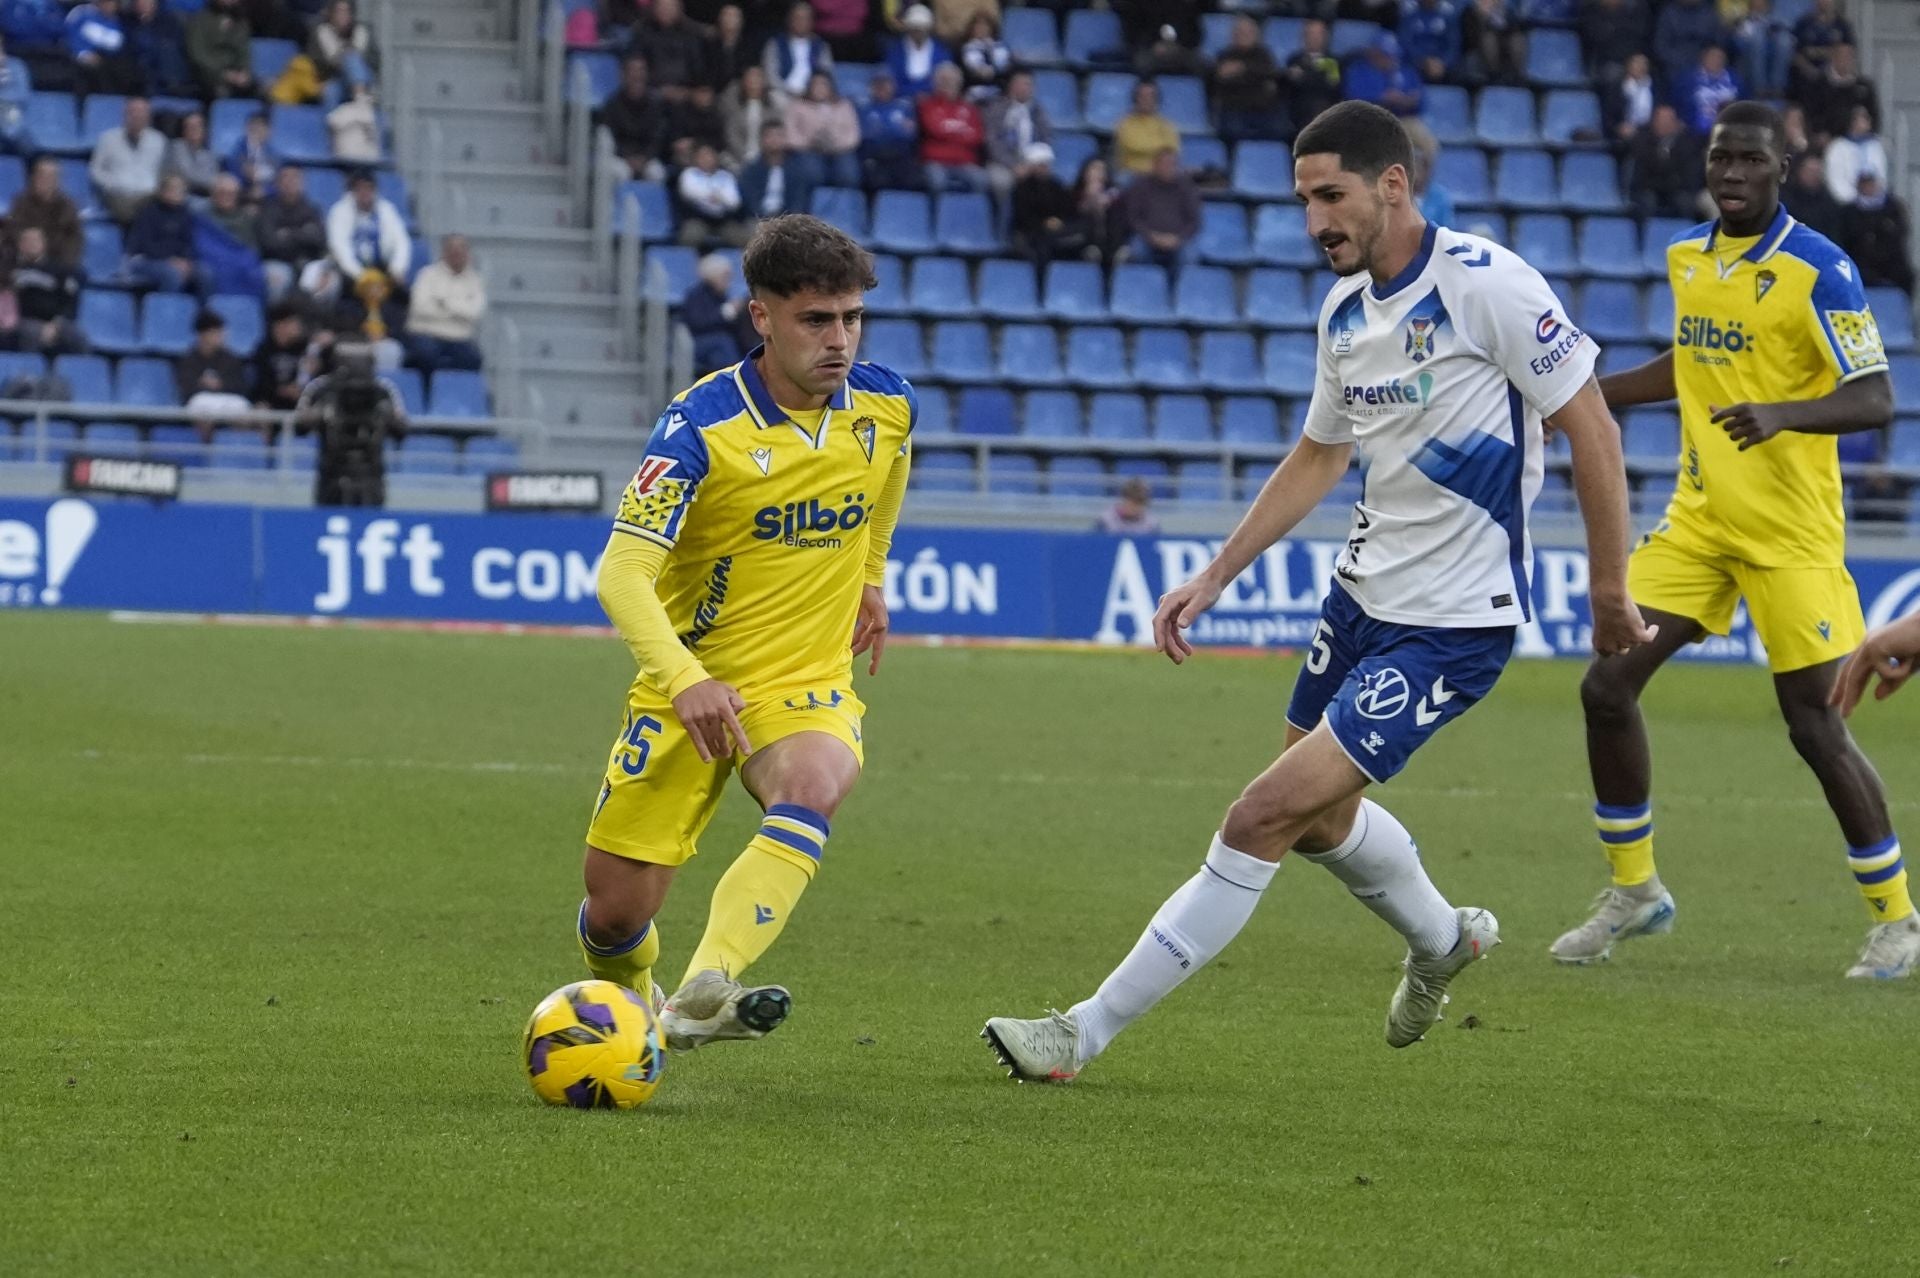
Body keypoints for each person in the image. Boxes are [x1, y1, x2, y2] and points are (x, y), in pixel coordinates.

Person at [982, 100, 1648, 1081]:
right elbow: (1317, 456)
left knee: (1261, 815)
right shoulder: (1345, 315)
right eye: (1302, 200)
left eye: (1330, 196)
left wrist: (1606, 587)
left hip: (1452, 627)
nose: (1314, 221)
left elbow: (1591, 428)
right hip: (1358, 604)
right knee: (1319, 822)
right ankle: (1441, 940)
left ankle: (1080, 1032)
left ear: (1392, 185)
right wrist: (1216, 572)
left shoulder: (1487, 287)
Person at [1551, 100, 1912, 981]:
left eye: (1750, 160)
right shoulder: (1688, 258)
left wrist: (1783, 413)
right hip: (1700, 522)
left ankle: (1899, 919)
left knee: (1815, 727)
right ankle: (1635, 891)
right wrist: (1580, 394)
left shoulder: (1820, 269)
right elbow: (1690, 364)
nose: (1733, 175)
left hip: (1791, 534)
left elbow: (1874, 397)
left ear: (1782, 167)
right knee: (1608, 684)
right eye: (1721, 160)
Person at [576, 213, 912, 1055]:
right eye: (815, 320)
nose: (839, 341)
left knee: (816, 781)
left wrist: (871, 574)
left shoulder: (888, 404)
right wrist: (686, 679)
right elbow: (619, 574)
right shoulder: (698, 428)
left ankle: (706, 983)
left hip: (804, 681)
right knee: (615, 914)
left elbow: (888, 479)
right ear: (761, 317)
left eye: (851, 317)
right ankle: (641, 1012)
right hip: (686, 683)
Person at [295, 340, 407, 505]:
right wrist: (322, 413)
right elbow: (300, 427)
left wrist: (383, 415)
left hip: (370, 470)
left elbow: (401, 430)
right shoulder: (321, 388)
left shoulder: (383, 390)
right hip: (332, 470)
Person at [404, 234, 487, 371]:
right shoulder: (427, 275)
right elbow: (420, 308)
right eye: (452, 250)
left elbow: (474, 313)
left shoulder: (475, 280)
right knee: (425, 356)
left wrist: (444, 302)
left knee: (473, 359)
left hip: (460, 339)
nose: (457, 254)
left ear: (467, 253)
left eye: (461, 250)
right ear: (444, 252)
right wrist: (459, 311)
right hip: (427, 334)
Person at [1117, 147, 1199, 271]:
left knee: (1190, 257)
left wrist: (1177, 238)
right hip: (1147, 237)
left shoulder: (1186, 187)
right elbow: (1132, 217)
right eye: (1164, 164)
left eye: (1171, 164)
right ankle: (1143, 288)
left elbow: (1194, 221)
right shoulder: (1140, 185)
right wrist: (1151, 236)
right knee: (1137, 250)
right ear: (1154, 165)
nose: (1167, 167)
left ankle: (1182, 289)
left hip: (1177, 239)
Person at [8, 225, 85, 354]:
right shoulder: (13, 270)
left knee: (79, 338)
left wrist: (56, 324)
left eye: (35, 240)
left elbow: (69, 300)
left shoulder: (59, 270)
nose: (32, 244)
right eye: (27, 241)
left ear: (43, 243)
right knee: (30, 334)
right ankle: (29, 372)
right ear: (21, 245)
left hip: (56, 321)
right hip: (25, 321)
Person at [90, 96, 167, 223]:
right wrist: (111, 185)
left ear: (148, 116)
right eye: (133, 112)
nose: (137, 116)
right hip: (119, 194)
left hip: (148, 194)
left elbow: (164, 170)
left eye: (141, 112)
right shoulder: (108, 139)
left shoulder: (159, 140)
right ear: (125, 114)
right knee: (141, 213)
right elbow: (95, 170)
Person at [981, 68, 1051, 209]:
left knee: (1048, 183)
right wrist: (1013, 166)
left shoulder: (1037, 110)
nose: (1028, 88)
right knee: (1002, 183)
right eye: (1024, 84)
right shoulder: (996, 109)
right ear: (1012, 86)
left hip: (1032, 162)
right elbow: (992, 142)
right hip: (1002, 163)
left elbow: (1046, 137)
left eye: (1030, 84)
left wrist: (1034, 163)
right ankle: (1003, 227)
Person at [1212, 14, 1287, 143]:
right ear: (1233, 34)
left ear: (1256, 34)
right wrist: (1254, 77)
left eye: (1248, 32)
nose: (1244, 35)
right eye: (1240, 32)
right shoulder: (1224, 55)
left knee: (1281, 129)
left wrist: (1242, 68)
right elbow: (1221, 80)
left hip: (1263, 109)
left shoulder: (1264, 55)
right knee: (1232, 130)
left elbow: (1270, 73)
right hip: (1235, 108)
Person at [783, 69, 862, 191]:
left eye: (823, 84)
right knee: (813, 174)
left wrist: (835, 144)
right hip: (808, 150)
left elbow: (853, 135)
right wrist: (810, 143)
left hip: (840, 150)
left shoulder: (844, 106)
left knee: (848, 175)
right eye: (815, 84)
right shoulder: (797, 105)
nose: (819, 88)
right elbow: (790, 134)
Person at [176, 308, 251, 434]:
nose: (221, 337)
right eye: (215, 333)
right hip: (201, 399)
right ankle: (205, 449)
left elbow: (240, 386)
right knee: (200, 406)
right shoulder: (189, 359)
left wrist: (220, 384)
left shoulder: (231, 358)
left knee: (243, 408)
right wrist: (202, 384)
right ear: (203, 335)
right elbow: (186, 387)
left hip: (227, 399)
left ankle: (236, 447)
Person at [258, 163, 327, 299]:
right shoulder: (268, 208)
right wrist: (304, 233)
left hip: (308, 262)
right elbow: (270, 244)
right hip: (277, 262)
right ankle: (279, 319)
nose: (290, 182)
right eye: (285, 178)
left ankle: (315, 320)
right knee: (278, 277)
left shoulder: (312, 209)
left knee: (329, 280)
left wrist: (288, 233)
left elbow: (320, 240)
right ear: (277, 183)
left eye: (295, 178)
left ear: (302, 183)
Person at [125, 173, 202, 293]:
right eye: (173, 188)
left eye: (181, 189)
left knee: (205, 274)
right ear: (162, 191)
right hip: (146, 260)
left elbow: (188, 242)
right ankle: (167, 310)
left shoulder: (185, 214)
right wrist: (171, 260)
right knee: (172, 275)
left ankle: (205, 311)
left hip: (177, 262)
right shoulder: (147, 212)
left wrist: (185, 260)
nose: (178, 192)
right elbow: (144, 245)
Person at [917, 63, 987, 195]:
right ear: (935, 83)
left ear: (959, 83)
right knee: (937, 181)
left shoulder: (969, 109)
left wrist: (947, 130)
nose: (947, 84)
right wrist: (961, 131)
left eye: (951, 81)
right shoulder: (927, 105)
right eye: (943, 80)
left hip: (964, 161)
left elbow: (977, 136)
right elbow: (933, 129)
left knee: (980, 180)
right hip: (936, 161)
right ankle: (936, 215)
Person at [1628, 104, 1705, 218]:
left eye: (1666, 121)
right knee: (1647, 201)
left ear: (1675, 124)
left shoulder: (1687, 145)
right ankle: (1647, 234)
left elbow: (1690, 176)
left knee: (1686, 202)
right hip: (1649, 189)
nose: (1662, 124)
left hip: (1678, 189)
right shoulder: (1643, 142)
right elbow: (1640, 176)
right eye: (1659, 120)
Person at [1009, 143, 1079, 266]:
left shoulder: (1056, 186)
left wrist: (1058, 221)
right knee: (1041, 247)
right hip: (1031, 233)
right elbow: (1023, 217)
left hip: (1057, 230)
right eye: (1040, 164)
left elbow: (1068, 209)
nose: (1044, 168)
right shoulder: (1022, 189)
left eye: (1046, 164)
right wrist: (1044, 223)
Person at [599, 57, 669, 181]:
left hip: (646, 158)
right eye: (633, 70)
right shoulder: (612, 104)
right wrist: (628, 158)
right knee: (620, 172)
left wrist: (645, 158)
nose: (637, 74)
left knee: (657, 173)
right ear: (624, 75)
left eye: (641, 70)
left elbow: (658, 137)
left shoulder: (656, 104)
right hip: (620, 157)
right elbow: (610, 136)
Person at [1843, 174, 1913, 295]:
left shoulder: (1893, 208)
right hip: (1861, 263)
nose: (1869, 188)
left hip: (1890, 263)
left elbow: (1899, 236)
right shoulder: (1849, 211)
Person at [8, 156, 83, 268]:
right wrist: (27, 242)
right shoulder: (20, 203)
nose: (46, 181)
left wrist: (45, 249)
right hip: (21, 264)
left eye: (51, 177)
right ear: (33, 178)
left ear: (58, 181)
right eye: (42, 176)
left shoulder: (68, 207)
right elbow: (11, 232)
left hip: (55, 266)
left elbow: (74, 241)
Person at [681, 251, 745, 374]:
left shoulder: (722, 295)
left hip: (719, 344)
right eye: (724, 276)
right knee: (722, 343)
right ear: (712, 275)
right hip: (696, 341)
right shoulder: (696, 295)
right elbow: (698, 323)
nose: (728, 281)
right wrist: (726, 313)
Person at [677, 140, 751, 244]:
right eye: (702, 156)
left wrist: (716, 197)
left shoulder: (726, 176)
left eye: (709, 155)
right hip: (698, 219)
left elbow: (734, 202)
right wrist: (715, 195)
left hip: (723, 220)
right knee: (690, 237)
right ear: (695, 158)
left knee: (745, 239)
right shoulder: (689, 174)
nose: (706, 159)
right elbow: (689, 192)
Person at [1803, 43, 1877, 145]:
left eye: (1849, 56)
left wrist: (1865, 129)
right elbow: (1811, 114)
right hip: (1826, 143)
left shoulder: (1865, 87)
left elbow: (1874, 117)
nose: (1846, 60)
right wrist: (1818, 133)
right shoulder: (1817, 85)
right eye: (1841, 55)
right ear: (1833, 57)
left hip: (1858, 142)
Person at [632, 0, 705, 100]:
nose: (665, 10)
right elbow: (636, 66)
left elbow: (697, 66)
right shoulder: (641, 31)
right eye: (661, 6)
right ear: (654, 7)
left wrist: (689, 91)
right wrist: (662, 90)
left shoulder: (691, 32)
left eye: (670, 6)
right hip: (653, 91)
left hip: (686, 92)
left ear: (679, 8)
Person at [858, 70, 919, 190]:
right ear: (871, 87)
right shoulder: (863, 107)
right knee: (873, 179)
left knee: (912, 178)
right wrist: (894, 129)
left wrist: (881, 129)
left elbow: (909, 135)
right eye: (877, 84)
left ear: (893, 86)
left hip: (899, 154)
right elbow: (864, 134)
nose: (882, 88)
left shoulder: (905, 106)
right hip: (873, 154)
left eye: (886, 84)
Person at [253, 300, 318, 412]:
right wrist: (283, 390)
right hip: (272, 401)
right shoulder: (263, 350)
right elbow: (260, 383)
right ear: (280, 326)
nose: (298, 327)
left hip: (301, 402)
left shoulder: (306, 348)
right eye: (293, 323)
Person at [66, 0, 141, 95]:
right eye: (105, 2)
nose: (108, 6)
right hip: (80, 60)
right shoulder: (81, 14)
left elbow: (119, 49)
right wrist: (83, 54)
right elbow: (70, 36)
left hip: (108, 65)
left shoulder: (121, 24)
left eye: (112, 3)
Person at [740, 123, 813, 220]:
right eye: (769, 136)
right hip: (758, 219)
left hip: (789, 220)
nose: (774, 140)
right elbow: (750, 200)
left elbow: (799, 200)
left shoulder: (797, 170)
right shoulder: (752, 169)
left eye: (779, 135)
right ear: (762, 140)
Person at [185, 0, 255, 99]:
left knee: (261, 92)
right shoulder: (200, 20)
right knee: (220, 93)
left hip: (235, 74)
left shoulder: (241, 22)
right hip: (207, 76)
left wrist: (244, 72)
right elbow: (198, 55)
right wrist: (224, 74)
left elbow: (243, 51)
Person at [762, 1, 832, 99]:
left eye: (805, 18)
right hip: (783, 93)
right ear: (789, 20)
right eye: (797, 18)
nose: (801, 22)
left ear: (811, 22)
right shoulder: (775, 44)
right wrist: (787, 90)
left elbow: (826, 72)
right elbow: (770, 74)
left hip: (813, 95)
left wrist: (812, 92)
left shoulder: (821, 46)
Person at [1346, 32, 1424, 119]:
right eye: (1382, 54)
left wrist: (1407, 100)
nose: (1387, 59)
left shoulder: (1406, 72)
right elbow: (1352, 98)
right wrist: (1383, 97)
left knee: (1415, 127)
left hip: (1403, 118)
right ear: (1372, 52)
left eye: (1390, 55)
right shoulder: (1359, 70)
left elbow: (1420, 99)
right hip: (1368, 118)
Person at [720, 63, 785, 167]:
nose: (754, 82)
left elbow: (776, 134)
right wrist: (745, 156)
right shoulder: (734, 108)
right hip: (738, 156)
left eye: (758, 77)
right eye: (750, 77)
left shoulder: (773, 108)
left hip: (766, 157)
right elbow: (732, 136)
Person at [1653, 0, 1723, 93]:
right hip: (1676, 64)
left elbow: (1718, 42)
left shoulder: (1709, 13)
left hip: (1705, 62)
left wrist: (1709, 59)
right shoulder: (1669, 14)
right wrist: (1679, 61)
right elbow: (1661, 46)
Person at [127, 0, 193, 98]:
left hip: (164, 78)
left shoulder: (170, 23)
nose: (142, 4)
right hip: (136, 77)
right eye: (139, 1)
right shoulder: (126, 23)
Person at [1112, 79, 1179, 176]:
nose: (1146, 100)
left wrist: (1152, 150)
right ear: (1135, 99)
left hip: (1160, 175)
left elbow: (1172, 151)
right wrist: (1160, 149)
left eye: (1150, 96)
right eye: (1142, 96)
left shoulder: (1167, 125)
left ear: (1156, 100)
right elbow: (1134, 145)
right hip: (1133, 174)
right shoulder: (1125, 124)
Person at [1284, 19, 1342, 130]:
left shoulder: (1333, 61)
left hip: (1324, 109)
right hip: (1298, 110)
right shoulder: (1294, 59)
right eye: (1310, 34)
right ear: (1303, 37)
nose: (1314, 38)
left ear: (1326, 37)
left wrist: (1305, 77)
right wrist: (1315, 76)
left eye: (1318, 34)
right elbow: (1290, 87)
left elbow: (1332, 86)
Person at [884, 4, 950, 100]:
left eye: (921, 29)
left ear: (928, 29)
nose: (918, 33)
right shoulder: (895, 50)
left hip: (933, 100)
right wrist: (913, 94)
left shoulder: (942, 51)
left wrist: (927, 94)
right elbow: (892, 79)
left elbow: (944, 81)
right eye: (914, 29)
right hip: (902, 98)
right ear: (908, 29)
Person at [1823, 105, 1885, 205]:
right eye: (1860, 119)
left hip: (1874, 202)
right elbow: (1836, 179)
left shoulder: (1875, 145)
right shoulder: (1838, 147)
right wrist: (1855, 199)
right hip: (1847, 204)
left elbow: (1881, 174)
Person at [1729, 0, 1793, 98]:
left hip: (1772, 54)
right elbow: (1738, 40)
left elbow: (1789, 38)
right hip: (1749, 54)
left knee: (1784, 39)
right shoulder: (1745, 20)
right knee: (1758, 39)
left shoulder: (1776, 20)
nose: (1759, 3)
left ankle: (1777, 86)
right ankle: (1760, 86)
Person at [1781, 151, 1845, 243]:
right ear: (1799, 171)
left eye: (1817, 171)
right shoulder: (1786, 200)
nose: (1814, 175)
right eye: (1810, 171)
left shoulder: (1829, 203)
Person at [309, 0, 374, 88]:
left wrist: (346, 54)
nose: (343, 16)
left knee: (352, 59)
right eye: (339, 11)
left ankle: (360, 94)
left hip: (363, 75)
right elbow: (326, 60)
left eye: (347, 11)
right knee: (331, 91)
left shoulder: (361, 31)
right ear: (331, 14)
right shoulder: (323, 31)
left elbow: (364, 57)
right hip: (334, 77)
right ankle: (360, 97)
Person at [1680, 46, 1741, 136]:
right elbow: (1680, 104)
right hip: (1696, 130)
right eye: (1712, 57)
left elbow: (1744, 101)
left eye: (1719, 57)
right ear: (1703, 58)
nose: (1716, 61)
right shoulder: (1688, 79)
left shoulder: (1735, 79)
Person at [1399, 0, 1462, 87]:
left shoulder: (1448, 18)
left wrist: (1443, 63)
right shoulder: (1409, 17)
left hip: (1442, 67)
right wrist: (1424, 61)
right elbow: (1405, 43)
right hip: (1416, 64)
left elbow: (1453, 45)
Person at [225, 110, 282, 202]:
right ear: (247, 128)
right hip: (241, 196)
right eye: (254, 127)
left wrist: (265, 191)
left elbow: (277, 182)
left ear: (269, 132)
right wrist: (245, 178)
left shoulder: (274, 154)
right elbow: (232, 175)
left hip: (267, 199)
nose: (258, 131)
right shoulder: (237, 151)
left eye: (262, 127)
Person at [162, 109, 220, 197]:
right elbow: (186, 175)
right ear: (184, 130)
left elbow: (213, 179)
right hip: (180, 195)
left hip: (205, 196)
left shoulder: (210, 154)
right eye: (190, 126)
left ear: (204, 130)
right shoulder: (176, 147)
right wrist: (207, 181)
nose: (194, 130)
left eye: (197, 126)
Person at [1605, 51, 1656, 143]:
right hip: (1624, 132)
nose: (1640, 67)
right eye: (1636, 63)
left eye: (1643, 63)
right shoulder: (1616, 89)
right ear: (1628, 66)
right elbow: (1609, 116)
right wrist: (1619, 128)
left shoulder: (1656, 87)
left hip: (1651, 131)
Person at [327, 82, 382, 163]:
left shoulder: (372, 113)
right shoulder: (345, 109)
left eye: (362, 91)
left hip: (367, 156)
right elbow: (332, 122)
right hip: (346, 154)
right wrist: (354, 120)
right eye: (357, 91)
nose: (360, 95)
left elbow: (372, 131)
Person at [957, 12, 1008, 98]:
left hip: (998, 93)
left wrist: (994, 71)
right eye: (978, 26)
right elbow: (962, 73)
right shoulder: (962, 49)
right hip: (971, 92)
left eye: (985, 26)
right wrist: (977, 73)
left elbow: (1007, 71)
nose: (981, 29)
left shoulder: (1001, 48)